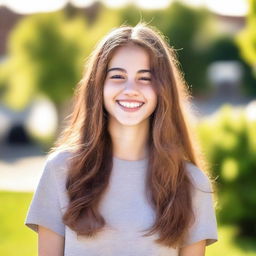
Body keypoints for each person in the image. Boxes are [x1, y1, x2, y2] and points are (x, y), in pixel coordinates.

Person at [25, 23, 218, 256]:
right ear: (99, 85)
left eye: (145, 78)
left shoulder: (191, 184)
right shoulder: (61, 170)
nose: (130, 89)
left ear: (163, 90)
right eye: (117, 76)